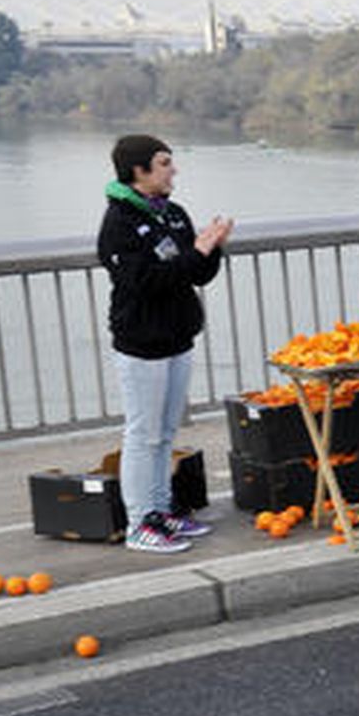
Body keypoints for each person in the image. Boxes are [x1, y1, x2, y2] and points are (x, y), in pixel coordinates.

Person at [98, 134, 231, 554]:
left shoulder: (173, 214)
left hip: (178, 336)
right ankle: (140, 522)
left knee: (166, 432)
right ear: (139, 171)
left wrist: (212, 249)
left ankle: (162, 509)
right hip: (141, 342)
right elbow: (145, 281)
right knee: (143, 433)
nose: (173, 171)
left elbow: (195, 274)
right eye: (164, 163)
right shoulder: (118, 223)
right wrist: (198, 251)